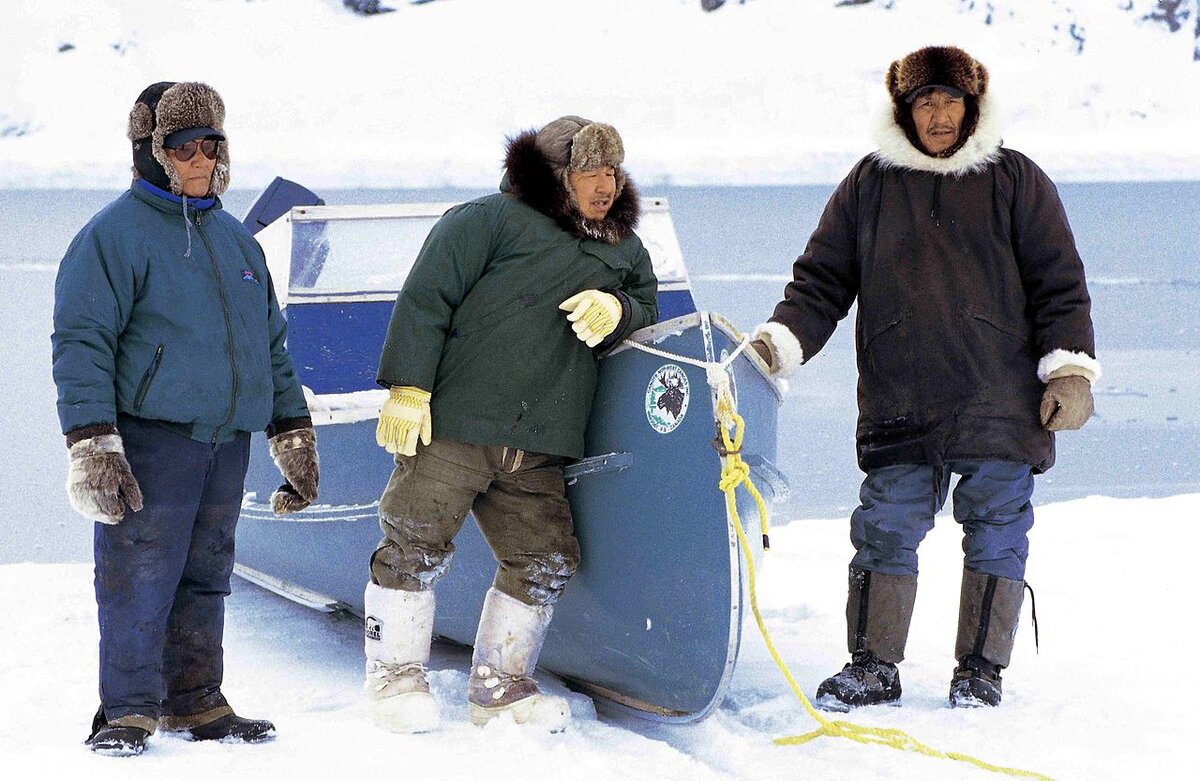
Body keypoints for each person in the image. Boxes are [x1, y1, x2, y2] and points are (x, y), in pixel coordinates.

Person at [749, 46, 1099, 710]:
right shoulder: (869, 184)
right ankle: (874, 664)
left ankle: (980, 670)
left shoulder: (1017, 181)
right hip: (901, 401)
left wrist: (1071, 369)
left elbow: (1061, 286)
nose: (938, 115)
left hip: (1001, 401)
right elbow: (821, 282)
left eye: (950, 101)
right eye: (924, 103)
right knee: (885, 525)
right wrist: (780, 343)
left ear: (973, 106)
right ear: (904, 112)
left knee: (997, 528)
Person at [364, 116, 658, 733]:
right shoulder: (483, 221)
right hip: (456, 427)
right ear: (556, 176)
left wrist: (621, 307)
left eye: (612, 171)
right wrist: (408, 387)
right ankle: (394, 681)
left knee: (546, 558)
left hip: (542, 442)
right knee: (413, 542)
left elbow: (649, 303)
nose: (605, 185)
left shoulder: (623, 246)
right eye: (589, 172)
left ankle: (499, 687)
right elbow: (426, 299)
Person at [51, 81, 319, 756]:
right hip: (151, 439)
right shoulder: (111, 238)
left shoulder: (237, 242)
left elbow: (271, 347)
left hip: (225, 442)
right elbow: (82, 343)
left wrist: (292, 431)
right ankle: (129, 709)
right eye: (184, 146)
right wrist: (92, 444)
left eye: (212, 144)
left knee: (207, 572)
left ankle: (196, 700)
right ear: (152, 151)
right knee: (138, 572)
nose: (202, 158)